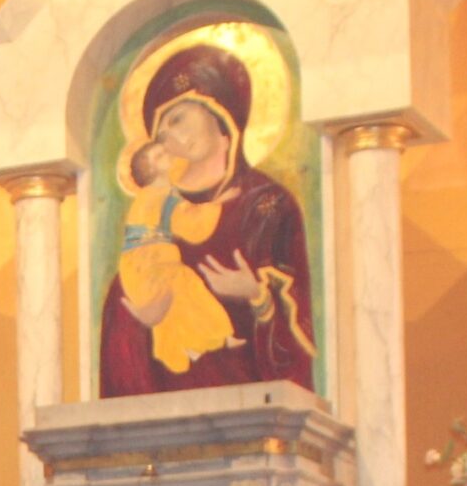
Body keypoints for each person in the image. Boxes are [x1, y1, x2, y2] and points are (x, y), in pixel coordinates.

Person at [99, 41, 316, 397]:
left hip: (253, 420)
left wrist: (257, 298)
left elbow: (303, 339)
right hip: (161, 424)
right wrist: (138, 318)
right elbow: (126, 308)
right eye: (159, 130)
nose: (167, 135)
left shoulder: (268, 207)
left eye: (177, 118)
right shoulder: (154, 214)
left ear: (222, 117)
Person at [117, 135, 240, 377]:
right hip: (147, 267)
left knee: (181, 299)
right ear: (150, 169)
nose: (168, 157)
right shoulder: (160, 196)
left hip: (150, 265)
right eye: (160, 156)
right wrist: (219, 204)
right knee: (185, 288)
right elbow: (190, 224)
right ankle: (209, 339)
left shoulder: (158, 194)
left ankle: (195, 346)